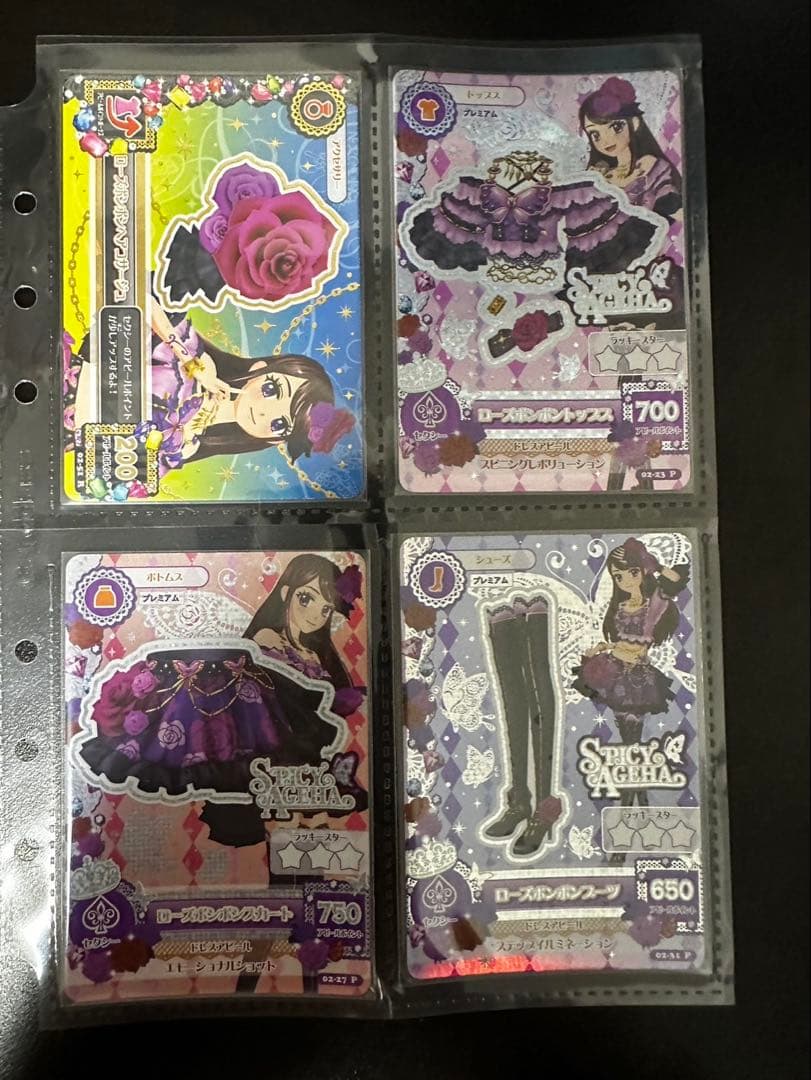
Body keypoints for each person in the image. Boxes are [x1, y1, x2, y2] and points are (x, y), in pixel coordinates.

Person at [65, 301, 353, 479]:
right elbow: (137, 300)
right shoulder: (194, 360)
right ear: (259, 369)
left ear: (276, 439)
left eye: (280, 423)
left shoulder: (189, 446)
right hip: (65, 378)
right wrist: (187, 358)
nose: (265, 412)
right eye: (271, 389)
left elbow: (105, 473)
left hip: (61, 439)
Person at [574, 537, 690, 810]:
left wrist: (654, 565)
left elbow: (674, 581)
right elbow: (621, 641)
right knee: (627, 739)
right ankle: (635, 798)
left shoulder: (654, 605)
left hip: (637, 678)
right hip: (613, 671)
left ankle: (635, 798)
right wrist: (603, 647)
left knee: (632, 741)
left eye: (632, 572)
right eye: (618, 576)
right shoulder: (621, 606)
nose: (625, 580)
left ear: (642, 572)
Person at [579, 77, 683, 222]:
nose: (606, 140)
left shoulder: (651, 167)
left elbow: (677, 212)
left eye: (616, 127)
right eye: (595, 134)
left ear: (634, 123)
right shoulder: (598, 174)